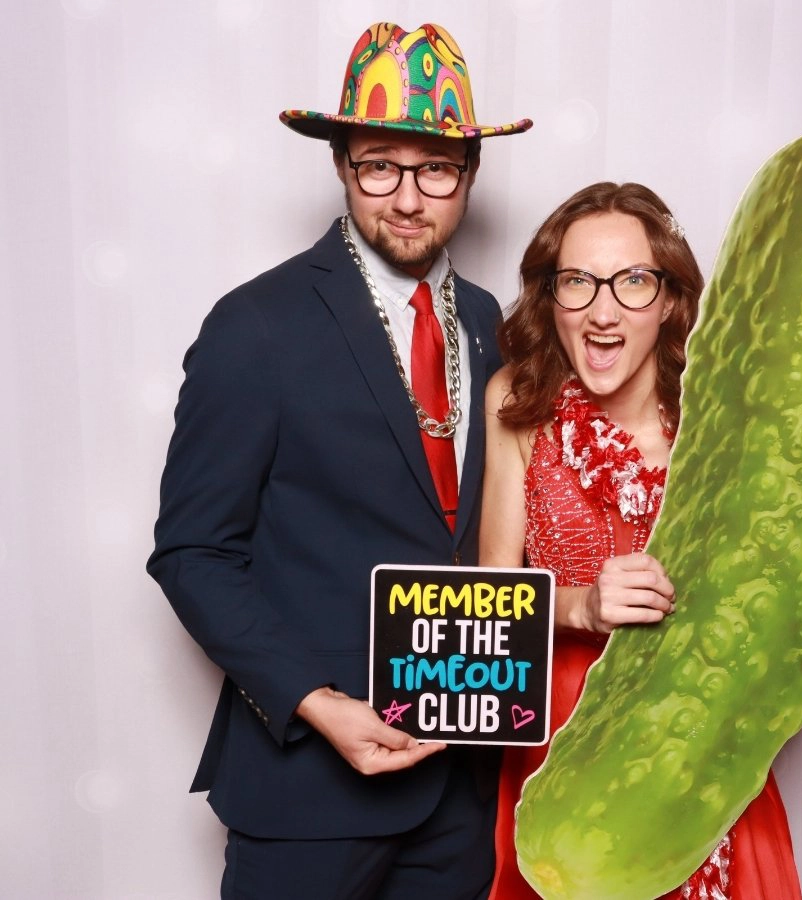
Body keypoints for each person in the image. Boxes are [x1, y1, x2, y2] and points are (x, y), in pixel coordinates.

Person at [147, 22, 531, 900]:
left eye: (434, 169)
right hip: (307, 788)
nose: (407, 197)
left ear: (468, 176)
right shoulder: (257, 327)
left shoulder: (491, 326)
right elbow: (194, 553)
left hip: (460, 789)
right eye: (379, 165)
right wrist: (320, 707)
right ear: (342, 165)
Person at [480, 182, 802, 899]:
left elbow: (793, 558)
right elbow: (485, 610)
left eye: (632, 281)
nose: (602, 309)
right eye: (577, 282)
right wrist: (580, 608)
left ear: (669, 299)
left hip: (705, 728)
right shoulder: (518, 404)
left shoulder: (730, 413)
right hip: (564, 746)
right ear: (550, 298)